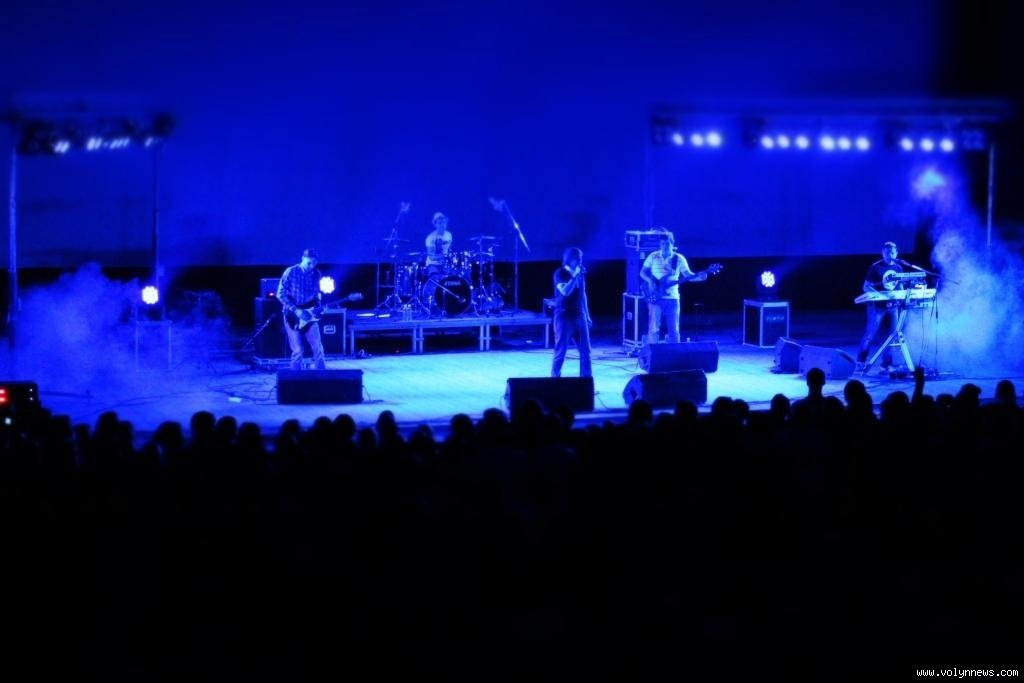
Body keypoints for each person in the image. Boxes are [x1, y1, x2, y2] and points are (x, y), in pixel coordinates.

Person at [639, 230, 707, 343]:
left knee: (674, 330)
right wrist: (650, 281)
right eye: (662, 244)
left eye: (667, 244)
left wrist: (700, 278)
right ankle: (652, 352)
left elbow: (689, 276)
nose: (664, 246)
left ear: (672, 243)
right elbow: (642, 272)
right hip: (655, 297)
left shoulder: (679, 259)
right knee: (653, 329)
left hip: (672, 298)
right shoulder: (653, 256)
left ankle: (675, 352)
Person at [857, 241, 904, 371]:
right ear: (883, 253)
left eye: (892, 253)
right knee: (870, 333)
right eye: (887, 252)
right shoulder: (876, 267)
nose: (890, 255)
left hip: (893, 306)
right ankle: (861, 360)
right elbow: (866, 287)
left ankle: (886, 364)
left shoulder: (899, 268)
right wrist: (880, 295)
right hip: (876, 306)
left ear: (896, 253)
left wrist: (901, 295)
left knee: (892, 334)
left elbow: (900, 286)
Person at [277, 248, 326, 370]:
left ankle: (322, 376)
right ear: (303, 258)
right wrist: (296, 310)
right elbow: (280, 294)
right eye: (309, 262)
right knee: (298, 350)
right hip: (293, 314)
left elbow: (317, 294)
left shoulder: (317, 274)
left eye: (314, 263)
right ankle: (295, 377)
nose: (311, 266)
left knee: (318, 348)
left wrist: (318, 305)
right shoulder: (291, 272)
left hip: (309, 314)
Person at [551, 246, 592, 378]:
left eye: (581, 258)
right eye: (577, 258)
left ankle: (586, 381)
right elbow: (565, 292)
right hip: (564, 317)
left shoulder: (580, 275)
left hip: (580, 316)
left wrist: (587, 315)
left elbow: (583, 294)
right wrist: (574, 277)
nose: (580, 260)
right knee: (561, 351)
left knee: (585, 352)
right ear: (570, 259)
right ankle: (554, 380)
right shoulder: (560, 273)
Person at [424, 212, 453, 276]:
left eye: (444, 222)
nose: (442, 225)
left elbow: (449, 250)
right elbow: (431, 256)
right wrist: (443, 257)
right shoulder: (430, 238)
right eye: (440, 223)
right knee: (436, 278)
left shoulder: (449, 235)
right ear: (435, 225)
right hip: (432, 265)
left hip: (445, 264)